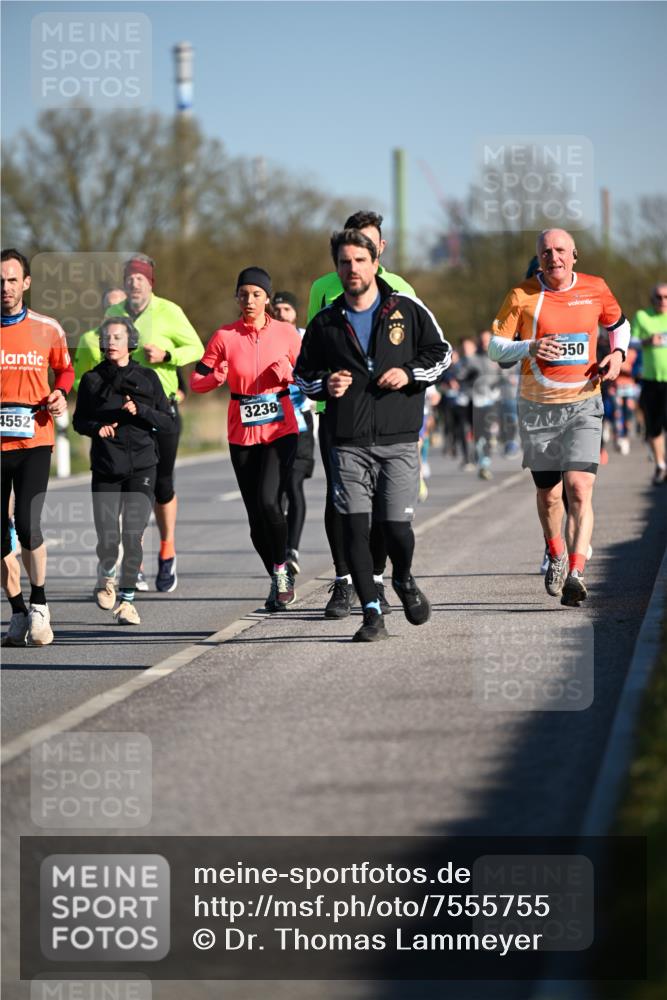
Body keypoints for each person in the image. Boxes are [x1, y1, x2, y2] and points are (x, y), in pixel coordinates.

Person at [294, 229, 451, 642]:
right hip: (347, 441)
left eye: (359, 260)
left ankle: (403, 578)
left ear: (374, 262)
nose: (352, 269)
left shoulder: (406, 309)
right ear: (336, 267)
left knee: (396, 529)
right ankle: (371, 613)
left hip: (398, 439)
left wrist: (410, 373)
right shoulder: (326, 322)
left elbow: (442, 354)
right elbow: (303, 375)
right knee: (354, 528)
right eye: (344, 262)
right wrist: (325, 384)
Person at [488, 228, 630, 607]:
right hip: (537, 408)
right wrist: (530, 346)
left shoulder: (595, 288)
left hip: (585, 402)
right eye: (547, 252)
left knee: (579, 488)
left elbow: (619, 325)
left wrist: (618, 356)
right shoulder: (521, 295)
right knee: (550, 495)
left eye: (561, 250)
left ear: (574, 255)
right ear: (540, 258)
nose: (554, 257)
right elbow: (495, 347)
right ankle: (555, 552)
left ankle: (577, 573)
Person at [307, 210, 417, 620]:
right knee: (340, 498)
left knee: (383, 506)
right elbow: (311, 350)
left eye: (368, 246)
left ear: (379, 248)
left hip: (388, 415)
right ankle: (344, 581)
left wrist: (408, 383)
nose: (357, 258)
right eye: (352, 248)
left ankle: (376, 578)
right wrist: (324, 384)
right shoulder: (323, 288)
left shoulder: (401, 288)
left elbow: (423, 350)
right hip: (337, 413)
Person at [190, 268, 302, 612]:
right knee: (255, 519)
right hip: (241, 431)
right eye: (243, 294)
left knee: (269, 501)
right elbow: (196, 380)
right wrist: (216, 377)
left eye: (256, 294)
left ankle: (281, 572)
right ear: (236, 297)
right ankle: (277, 575)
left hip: (280, 428)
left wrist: (290, 374)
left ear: (267, 298)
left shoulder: (286, 333)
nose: (249, 300)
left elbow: (312, 377)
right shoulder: (224, 336)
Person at [105, 255, 204, 591]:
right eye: (130, 278)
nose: (134, 284)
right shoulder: (114, 313)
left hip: (161, 410)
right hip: (125, 412)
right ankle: (135, 562)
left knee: (161, 485)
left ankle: (167, 550)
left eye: (140, 279)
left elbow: (196, 348)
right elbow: (100, 349)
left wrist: (167, 355)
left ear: (150, 283)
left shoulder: (169, 311)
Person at [73, 317, 174, 624]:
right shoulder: (91, 380)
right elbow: (79, 421)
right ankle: (106, 576)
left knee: (133, 536)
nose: (111, 342)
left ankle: (128, 602)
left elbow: (167, 421)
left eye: (117, 337)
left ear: (131, 342)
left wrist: (141, 410)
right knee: (108, 538)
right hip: (106, 466)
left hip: (142, 465)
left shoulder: (148, 377)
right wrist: (97, 428)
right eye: (106, 337)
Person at [1, 248, 74, 646]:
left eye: (12, 280)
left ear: (26, 283)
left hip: (35, 438)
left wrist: (60, 393)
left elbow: (65, 369)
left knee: (28, 525)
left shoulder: (48, 328)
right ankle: (16, 610)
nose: (5, 287)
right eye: (0, 281)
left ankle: (40, 604)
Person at [272, 291, 315, 576]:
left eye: (286, 309)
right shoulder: (265, 339)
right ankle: (279, 549)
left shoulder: (308, 338)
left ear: (295, 313)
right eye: (276, 309)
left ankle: (292, 550)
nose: (281, 314)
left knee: (294, 484)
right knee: (275, 491)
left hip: (300, 421)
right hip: (270, 422)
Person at [633, 283, 667, 484]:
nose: (662, 301)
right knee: (654, 426)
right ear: (652, 299)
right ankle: (660, 465)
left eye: (666, 297)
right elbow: (630, 342)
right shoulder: (642, 316)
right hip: (651, 380)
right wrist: (646, 342)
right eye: (658, 297)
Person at [73, 287, 127, 390]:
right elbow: (78, 378)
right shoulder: (87, 339)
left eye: (120, 306)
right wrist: (94, 392)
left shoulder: (140, 337)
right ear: (104, 310)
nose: (115, 311)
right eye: (110, 307)